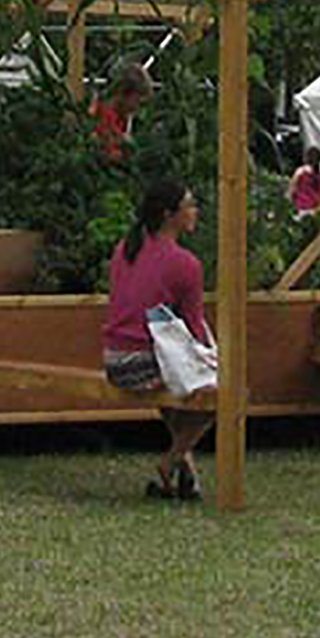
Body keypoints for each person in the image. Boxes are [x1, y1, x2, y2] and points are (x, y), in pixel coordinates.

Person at [100, 177, 216, 501]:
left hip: (114, 359)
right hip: (141, 363)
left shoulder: (126, 248)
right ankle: (169, 464)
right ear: (169, 215)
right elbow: (194, 329)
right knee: (220, 393)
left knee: (177, 391)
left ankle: (187, 475)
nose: (195, 211)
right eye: (190, 206)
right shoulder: (185, 265)